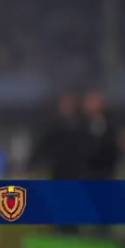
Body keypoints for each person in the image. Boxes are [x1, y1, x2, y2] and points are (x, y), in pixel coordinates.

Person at [31, 90, 86, 235]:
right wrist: (34, 163)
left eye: (70, 104)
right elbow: (43, 147)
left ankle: (73, 232)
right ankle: (58, 231)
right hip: (58, 174)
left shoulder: (82, 126)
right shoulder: (54, 127)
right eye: (64, 104)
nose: (67, 107)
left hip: (76, 175)